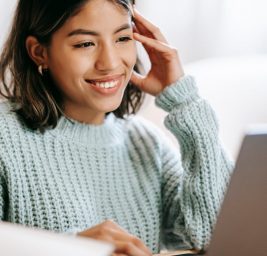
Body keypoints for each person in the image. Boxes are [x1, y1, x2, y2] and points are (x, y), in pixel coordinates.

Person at [0, 0, 233, 255]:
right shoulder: (5, 136)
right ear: (39, 52)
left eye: (123, 38)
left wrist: (184, 101)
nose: (110, 63)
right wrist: (70, 249)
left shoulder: (148, 144)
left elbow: (218, 237)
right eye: (85, 44)